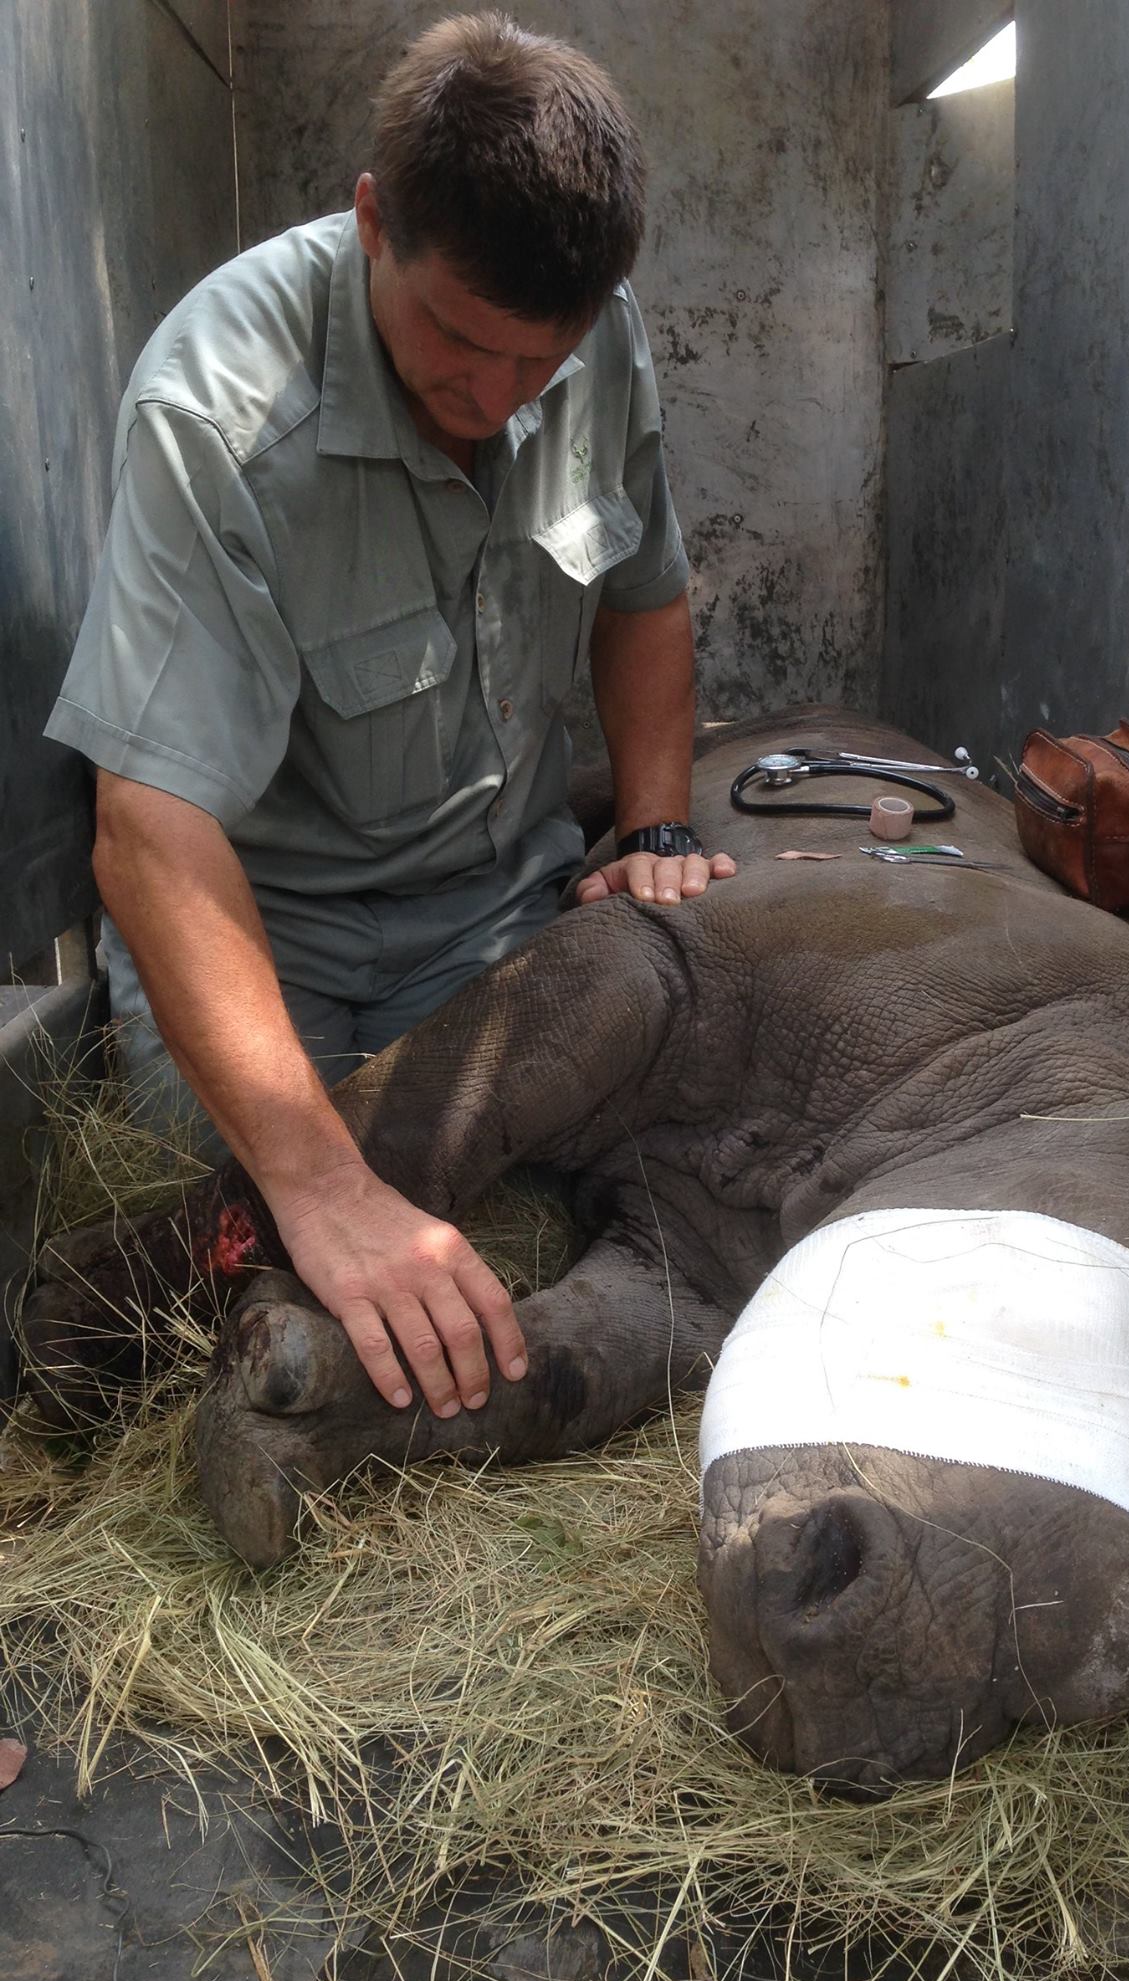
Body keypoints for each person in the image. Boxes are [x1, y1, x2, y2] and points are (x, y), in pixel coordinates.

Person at [43, 13, 734, 1427]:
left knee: (607, 1187)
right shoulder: (215, 407)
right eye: (456, 341)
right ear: (372, 223)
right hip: (268, 934)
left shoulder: (605, 350)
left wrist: (656, 820)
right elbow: (148, 833)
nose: (490, 401)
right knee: (241, 1234)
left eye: (535, 366)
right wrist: (319, 1183)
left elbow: (648, 599)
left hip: (497, 915)